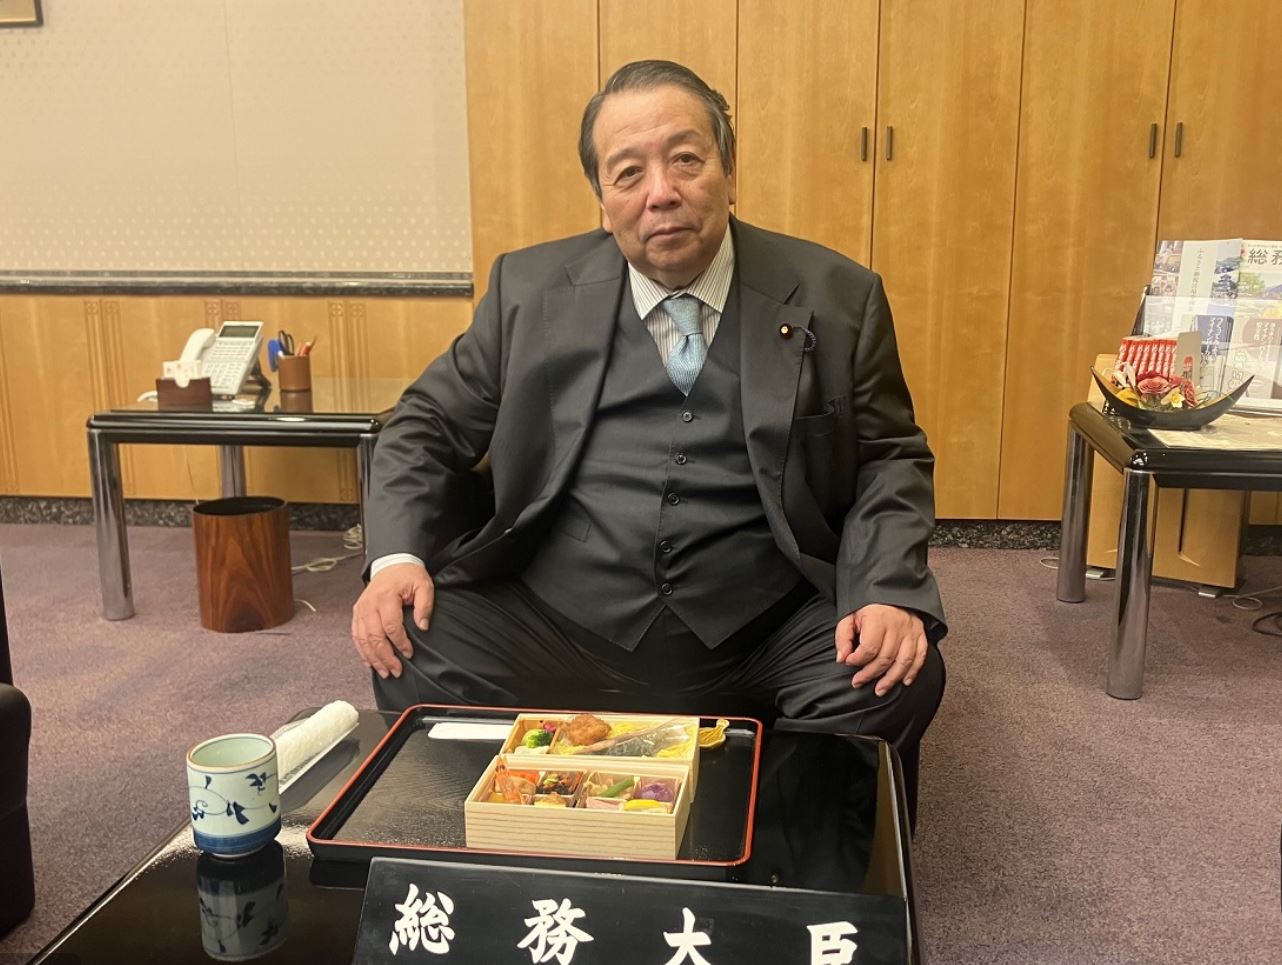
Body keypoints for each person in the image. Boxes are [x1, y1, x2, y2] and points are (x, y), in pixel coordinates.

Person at [352, 60, 947, 804]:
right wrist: (396, 559)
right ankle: (529, 834)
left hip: (761, 627)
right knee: (408, 640)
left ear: (730, 171)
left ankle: (752, 837)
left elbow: (890, 457)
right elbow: (425, 422)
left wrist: (886, 590)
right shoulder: (529, 291)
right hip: (561, 621)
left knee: (893, 673)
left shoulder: (837, 296)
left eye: (686, 160)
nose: (660, 192)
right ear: (603, 202)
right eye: (628, 173)